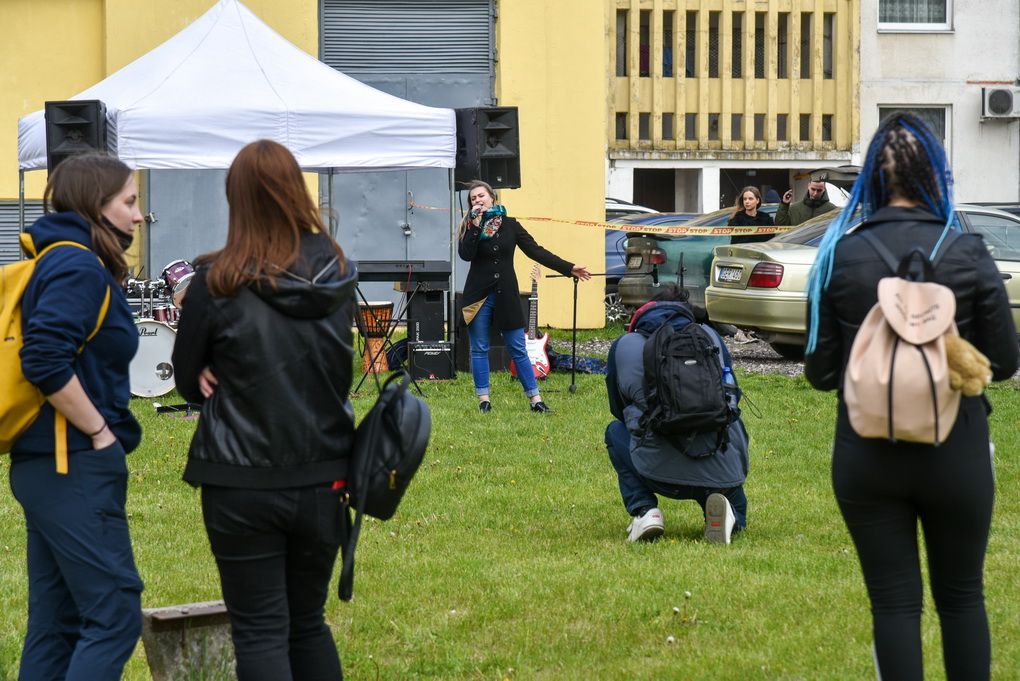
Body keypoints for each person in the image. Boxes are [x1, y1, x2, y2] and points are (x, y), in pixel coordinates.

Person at [804, 112, 1019, 681]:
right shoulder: (967, 251)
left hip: (867, 454)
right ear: (935, 176)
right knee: (962, 599)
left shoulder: (840, 255)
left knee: (894, 604)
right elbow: (1004, 363)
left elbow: (822, 373)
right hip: (958, 451)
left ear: (872, 179)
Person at [171, 140, 358, 681]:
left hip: (239, 477)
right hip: (323, 475)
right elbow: (337, 373)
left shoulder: (215, 281)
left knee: (259, 628)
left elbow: (186, 380)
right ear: (295, 191)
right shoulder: (337, 272)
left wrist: (210, 369)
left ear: (237, 201)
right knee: (307, 624)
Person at [10, 153, 144, 681]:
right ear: (97, 205)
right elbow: (43, 356)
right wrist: (100, 431)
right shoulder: (76, 264)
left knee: (58, 620)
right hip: (71, 463)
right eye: (129, 202)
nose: (137, 216)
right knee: (113, 613)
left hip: (49, 464)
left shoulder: (63, 257)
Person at [604, 284, 750, 544]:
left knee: (615, 431)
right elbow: (733, 397)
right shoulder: (711, 337)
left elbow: (617, 409)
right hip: (720, 465)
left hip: (656, 468)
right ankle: (727, 514)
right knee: (737, 511)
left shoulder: (624, 346)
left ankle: (645, 511)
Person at [458, 180, 591, 413]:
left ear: (493, 198)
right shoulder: (470, 228)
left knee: (518, 348)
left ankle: (535, 399)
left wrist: (568, 267)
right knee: (479, 348)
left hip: (505, 295)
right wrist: (476, 226)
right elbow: (466, 255)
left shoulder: (510, 225)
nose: (477, 200)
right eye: (473, 198)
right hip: (478, 296)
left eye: (481, 196)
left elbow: (536, 250)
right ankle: (484, 400)